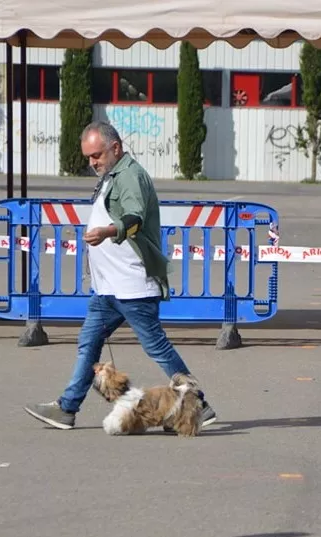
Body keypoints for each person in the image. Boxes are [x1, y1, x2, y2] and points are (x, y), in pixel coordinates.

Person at [24, 121, 216, 430]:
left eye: (96, 155)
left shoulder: (130, 176)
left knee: (156, 347)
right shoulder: (111, 175)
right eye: (88, 157)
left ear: (115, 148)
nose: (92, 162)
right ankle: (67, 408)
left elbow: (134, 217)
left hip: (132, 285)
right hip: (108, 289)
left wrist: (106, 232)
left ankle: (199, 405)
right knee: (89, 344)